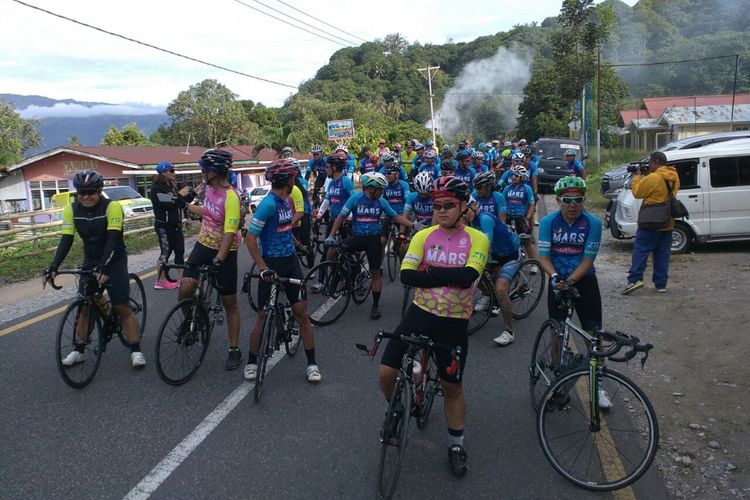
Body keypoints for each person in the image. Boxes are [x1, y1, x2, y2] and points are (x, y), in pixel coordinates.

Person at [378, 176, 489, 477]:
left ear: (463, 207)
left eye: (448, 205)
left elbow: (469, 276)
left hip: (453, 323)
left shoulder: (478, 239)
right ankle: (397, 409)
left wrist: (431, 271)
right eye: (436, 205)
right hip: (421, 312)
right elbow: (407, 277)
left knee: (452, 387)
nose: (440, 211)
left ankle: (456, 444)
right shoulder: (423, 236)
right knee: (386, 372)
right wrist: (449, 275)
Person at [45, 170, 146, 367]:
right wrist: (54, 266)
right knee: (84, 306)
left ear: (100, 190)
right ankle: (79, 349)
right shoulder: (71, 209)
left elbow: (113, 239)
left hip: (114, 260)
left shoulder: (112, 206)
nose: (86, 196)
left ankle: (135, 349)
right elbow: (66, 239)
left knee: (121, 307)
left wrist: (104, 266)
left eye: (90, 192)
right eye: (81, 192)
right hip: (90, 261)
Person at [244, 159, 321, 382]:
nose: (294, 180)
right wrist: (262, 268)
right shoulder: (268, 204)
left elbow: (284, 229)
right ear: (287, 180)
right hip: (271, 264)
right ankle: (251, 361)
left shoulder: (286, 201)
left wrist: (299, 245)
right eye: (293, 177)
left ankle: (312, 364)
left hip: (290, 262)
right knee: (261, 315)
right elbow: (250, 238)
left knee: (302, 314)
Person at [537, 176, 610, 407]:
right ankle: (559, 380)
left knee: (593, 334)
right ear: (559, 200)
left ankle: (597, 387)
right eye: (567, 200)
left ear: (583, 199)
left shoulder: (593, 223)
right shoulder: (549, 222)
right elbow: (544, 257)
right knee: (557, 332)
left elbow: (588, 261)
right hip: (558, 279)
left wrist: (569, 281)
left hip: (584, 280)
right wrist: (557, 278)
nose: (572, 205)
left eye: (577, 200)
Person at [178, 149, 243, 371]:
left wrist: (219, 259)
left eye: (204, 169)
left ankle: (234, 349)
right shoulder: (210, 189)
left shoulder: (231, 197)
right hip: (203, 245)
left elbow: (229, 231)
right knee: (185, 287)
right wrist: (186, 206)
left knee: (229, 303)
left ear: (213, 171)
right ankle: (194, 322)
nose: (201, 173)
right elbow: (208, 211)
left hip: (225, 250)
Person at [325, 172, 416, 319]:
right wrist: (330, 235)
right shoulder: (355, 199)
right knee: (334, 248)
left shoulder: (381, 202)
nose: (381, 192)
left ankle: (375, 305)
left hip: (373, 241)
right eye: (379, 189)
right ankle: (337, 273)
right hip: (357, 238)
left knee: (375, 273)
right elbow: (341, 217)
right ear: (370, 188)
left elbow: (395, 216)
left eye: (382, 190)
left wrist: (412, 225)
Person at [464, 202, 522, 346]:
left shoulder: (484, 219)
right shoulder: (470, 222)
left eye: (467, 211)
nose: (465, 215)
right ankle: (488, 295)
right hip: (496, 255)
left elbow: (486, 245)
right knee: (478, 274)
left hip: (511, 255)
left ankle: (509, 332)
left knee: (501, 290)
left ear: (474, 207)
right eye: (462, 213)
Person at [623, 151, 680, 295]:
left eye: (650, 163)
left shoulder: (654, 177)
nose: (649, 165)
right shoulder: (673, 176)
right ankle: (661, 284)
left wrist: (637, 176)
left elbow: (637, 192)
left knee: (641, 250)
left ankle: (635, 279)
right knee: (662, 254)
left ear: (655, 162)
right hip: (667, 221)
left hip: (651, 221)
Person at [313, 151, 355, 292]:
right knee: (326, 249)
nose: (326, 169)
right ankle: (320, 281)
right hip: (333, 219)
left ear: (335, 168)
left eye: (328, 167)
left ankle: (356, 276)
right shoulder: (331, 183)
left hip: (345, 221)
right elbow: (327, 201)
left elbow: (353, 200)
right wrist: (319, 216)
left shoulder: (346, 181)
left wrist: (350, 218)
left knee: (350, 251)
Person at [150, 161, 195, 290]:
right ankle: (161, 281)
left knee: (180, 252)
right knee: (165, 253)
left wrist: (193, 194)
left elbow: (181, 203)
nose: (174, 173)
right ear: (164, 172)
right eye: (172, 171)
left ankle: (182, 280)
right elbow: (168, 204)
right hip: (164, 226)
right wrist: (180, 195)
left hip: (176, 225)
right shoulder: (156, 189)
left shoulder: (172, 187)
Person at [502, 165, 537, 262]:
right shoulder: (507, 188)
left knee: (527, 242)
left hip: (521, 217)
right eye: (512, 175)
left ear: (522, 177)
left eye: (516, 176)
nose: (513, 177)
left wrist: (527, 218)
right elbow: (502, 203)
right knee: (508, 241)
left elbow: (531, 205)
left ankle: (533, 263)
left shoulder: (527, 188)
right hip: (508, 217)